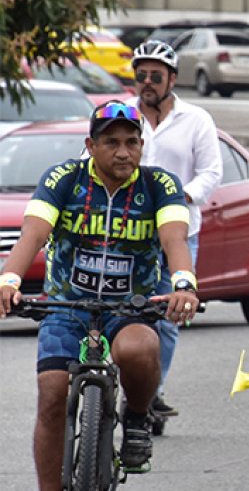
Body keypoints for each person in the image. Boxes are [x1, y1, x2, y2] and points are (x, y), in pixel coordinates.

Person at [0, 102, 199, 490]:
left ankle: (138, 418)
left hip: (131, 307)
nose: (123, 152)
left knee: (139, 351)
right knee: (53, 394)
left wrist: (184, 284)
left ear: (142, 145)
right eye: (111, 142)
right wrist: (9, 279)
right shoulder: (64, 179)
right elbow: (34, 234)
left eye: (132, 142)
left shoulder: (160, 185)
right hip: (66, 307)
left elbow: (174, 238)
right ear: (91, 145)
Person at [127, 40, 221, 421]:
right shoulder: (121, 115)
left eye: (155, 76)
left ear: (172, 79)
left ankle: (152, 391)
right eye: (141, 75)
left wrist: (181, 196)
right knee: (118, 310)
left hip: (179, 235)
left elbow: (211, 172)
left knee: (170, 314)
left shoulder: (196, 119)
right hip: (125, 234)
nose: (147, 82)